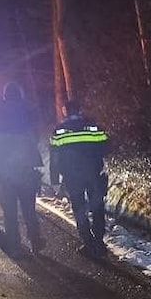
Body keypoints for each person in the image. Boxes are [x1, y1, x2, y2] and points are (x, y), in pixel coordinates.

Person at [0, 82, 45, 255]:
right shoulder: (28, 112)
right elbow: (35, 135)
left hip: (3, 169)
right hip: (25, 168)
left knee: (9, 211)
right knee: (29, 208)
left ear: (4, 95)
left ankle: (14, 245)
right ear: (19, 95)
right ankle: (35, 240)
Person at [49, 98, 110, 257]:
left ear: (65, 111)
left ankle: (87, 242)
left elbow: (54, 157)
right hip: (93, 173)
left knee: (79, 208)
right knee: (97, 206)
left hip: (72, 176)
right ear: (79, 110)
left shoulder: (59, 130)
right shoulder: (93, 126)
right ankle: (99, 241)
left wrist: (54, 180)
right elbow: (106, 146)